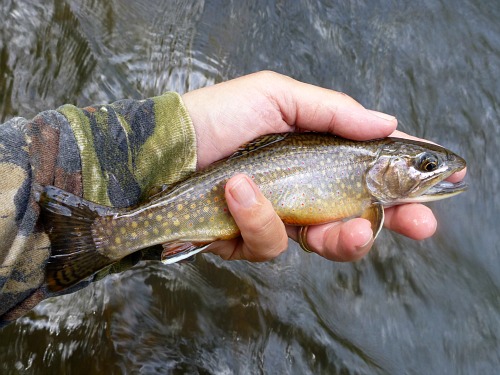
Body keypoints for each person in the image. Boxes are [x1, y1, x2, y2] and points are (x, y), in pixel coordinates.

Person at [0, 71, 465, 326]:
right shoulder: (366, 196)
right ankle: (109, 235)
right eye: (425, 166)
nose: (435, 174)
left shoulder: (370, 201)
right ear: (381, 165)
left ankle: (110, 233)